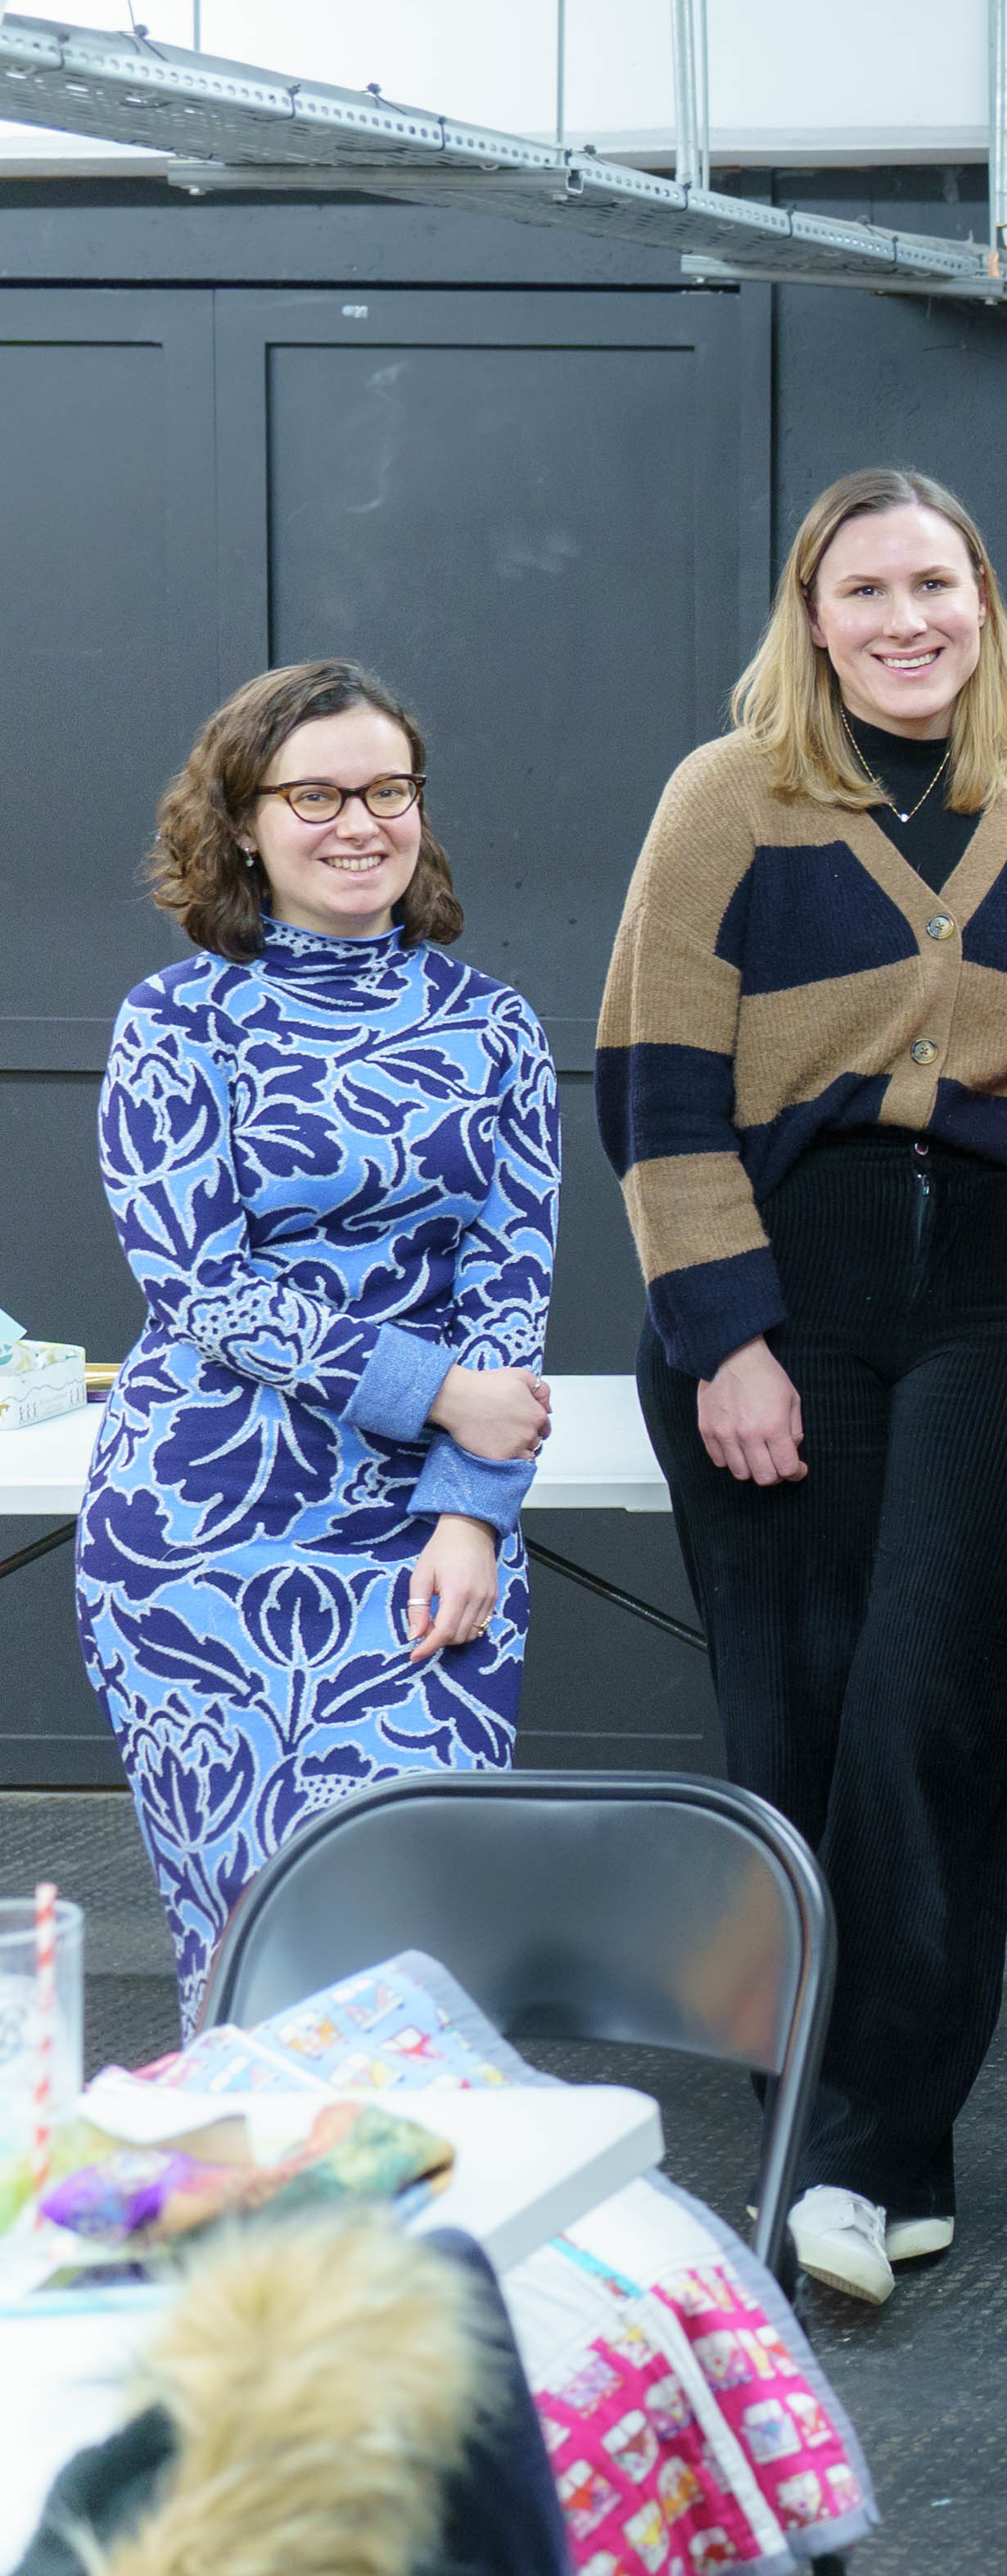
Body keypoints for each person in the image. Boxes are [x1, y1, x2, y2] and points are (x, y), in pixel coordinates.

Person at [603, 468, 1007, 2307]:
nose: (906, 618)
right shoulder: (727, 794)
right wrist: (721, 1331)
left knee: (938, 1701)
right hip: (781, 1275)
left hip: (1004, 1284)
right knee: (799, 1710)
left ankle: (874, 2141)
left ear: (983, 595)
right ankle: (830, 2113)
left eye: (937, 582)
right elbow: (657, 1079)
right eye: (866, 588)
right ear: (810, 615)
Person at [83, 662, 555, 2022]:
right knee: (246, 1948)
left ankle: (402, 2229)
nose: (359, 822)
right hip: (200, 1535)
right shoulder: (174, 1024)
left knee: (412, 1943)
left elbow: (509, 1290)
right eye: (315, 794)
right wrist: (440, 1391)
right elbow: (201, 1286)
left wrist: (472, 1510)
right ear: (241, 820)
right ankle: (269, 2233)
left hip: (421, 1530)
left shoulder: (495, 1029)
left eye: (387, 789)